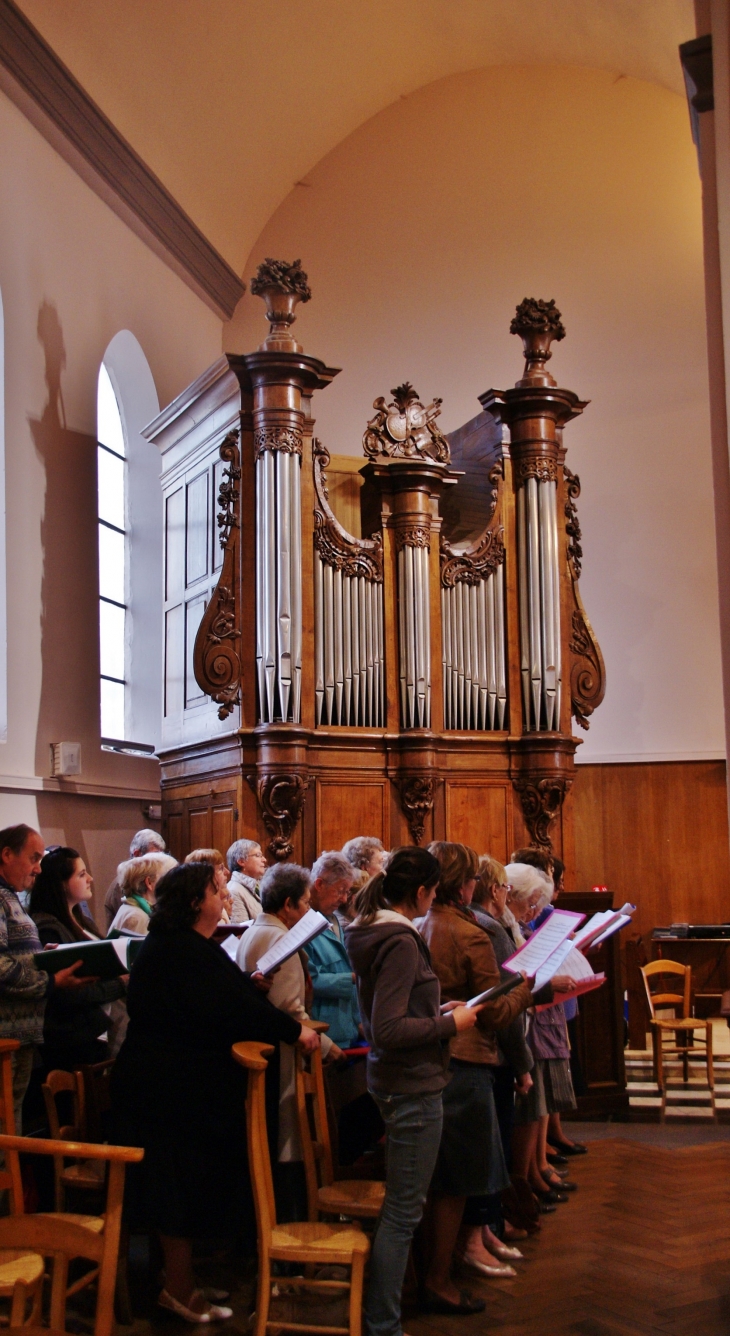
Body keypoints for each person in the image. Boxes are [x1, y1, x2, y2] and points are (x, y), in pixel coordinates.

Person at [111, 861, 319, 1323]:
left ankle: (182, 1282)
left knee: (185, 1187)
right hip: (166, 1091)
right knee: (176, 1189)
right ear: (193, 902)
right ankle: (178, 1291)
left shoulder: (183, 946)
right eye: (215, 891)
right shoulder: (180, 950)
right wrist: (294, 1031)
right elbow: (226, 1009)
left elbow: (221, 998)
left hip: (173, 1084)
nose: (223, 899)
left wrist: (247, 986)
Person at [345, 846, 479, 1336]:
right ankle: (383, 1324)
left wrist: (442, 1008)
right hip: (411, 1086)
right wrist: (450, 1025)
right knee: (403, 1215)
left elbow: (390, 1009)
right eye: (433, 892)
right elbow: (389, 1029)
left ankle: (382, 1319)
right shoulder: (399, 939)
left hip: (395, 1081)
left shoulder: (372, 929)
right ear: (422, 892)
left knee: (401, 1211)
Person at [419, 841, 534, 1300]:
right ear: (462, 885)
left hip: (435, 1058)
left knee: (441, 1175)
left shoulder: (420, 923)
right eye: (471, 879)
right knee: (459, 1178)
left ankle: (437, 1269)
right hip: (467, 1061)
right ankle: (440, 1278)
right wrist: (525, 987)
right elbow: (494, 1012)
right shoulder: (469, 934)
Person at [238, 863, 340, 1217]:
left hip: (275, 1050)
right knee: (287, 1140)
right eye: (305, 903)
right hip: (282, 1056)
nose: (310, 911)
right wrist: (329, 1048)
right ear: (287, 904)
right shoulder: (277, 937)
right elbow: (288, 1009)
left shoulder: (257, 930)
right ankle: (293, 1219)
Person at [0, 825, 90, 1132]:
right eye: (34, 857)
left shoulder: (10, 897)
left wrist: (43, 958)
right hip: (5, 1038)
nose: (39, 868)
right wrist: (49, 981)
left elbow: (14, 955)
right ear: (7, 855)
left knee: (12, 1127)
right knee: (5, 1130)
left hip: (19, 1037)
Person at [29, 846, 128, 1074]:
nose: (90, 879)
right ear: (62, 883)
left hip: (92, 1027)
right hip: (71, 1037)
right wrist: (120, 984)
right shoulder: (49, 930)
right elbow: (69, 993)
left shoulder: (79, 920)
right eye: (82, 874)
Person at [306, 851, 360, 1048]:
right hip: (324, 1031)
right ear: (319, 885)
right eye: (340, 891)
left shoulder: (333, 919)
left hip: (346, 1027)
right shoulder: (302, 926)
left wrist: (358, 1020)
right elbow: (309, 980)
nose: (344, 900)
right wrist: (352, 978)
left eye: (347, 892)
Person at [104, 829, 166, 929]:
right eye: (154, 855)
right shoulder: (123, 884)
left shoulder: (147, 880)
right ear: (137, 854)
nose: (158, 861)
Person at [107, 853, 177, 936]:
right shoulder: (137, 918)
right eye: (162, 878)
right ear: (149, 883)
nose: (167, 883)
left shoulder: (132, 909)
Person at [226, 839, 267, 923]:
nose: (264, 860)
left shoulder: (259, 886)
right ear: (241, 861)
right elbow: (240, 933)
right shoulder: (233, 891)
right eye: (258, 855)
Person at [185, 850, 232, 922]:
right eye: (220, 868)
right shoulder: (206, 910)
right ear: (205, 875)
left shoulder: (220, 902)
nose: (227, 872)